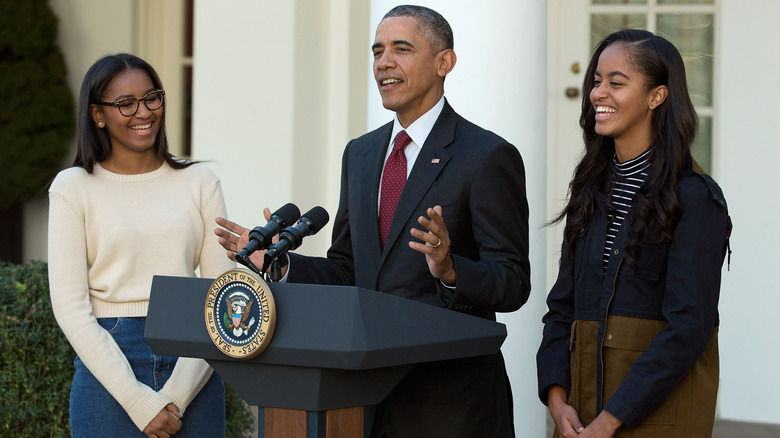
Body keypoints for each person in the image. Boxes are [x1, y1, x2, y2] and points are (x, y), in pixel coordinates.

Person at [215, 5, 530, 437]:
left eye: (402, 49)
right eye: (377, 50)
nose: (384, 62)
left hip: (451, 403)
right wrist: (280, 263)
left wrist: (451, 269)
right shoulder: (361, 154)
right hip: (364, 399)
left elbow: (513, 281)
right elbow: (349, 269)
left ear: (444, 62)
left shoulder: (487, 156)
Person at [536, 29, 730, 438]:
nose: (597, 93)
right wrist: (556, 399)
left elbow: (688, 328)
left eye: (616, 83)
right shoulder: (591, 187)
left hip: (654, 416)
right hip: (579, 414)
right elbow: (562, 306)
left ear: (656, 96)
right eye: (596, 81)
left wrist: (610, 420)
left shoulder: (694, 198)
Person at [48, 54, 234, 437]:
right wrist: (137, 400)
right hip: (109, 364)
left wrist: (177, 397)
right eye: (125, 103)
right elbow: (69, 306)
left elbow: (221, 300)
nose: (144, 112)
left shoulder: (200, 181)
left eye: (152, 98)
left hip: (194, 355)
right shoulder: (73, 187)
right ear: (98, 115)